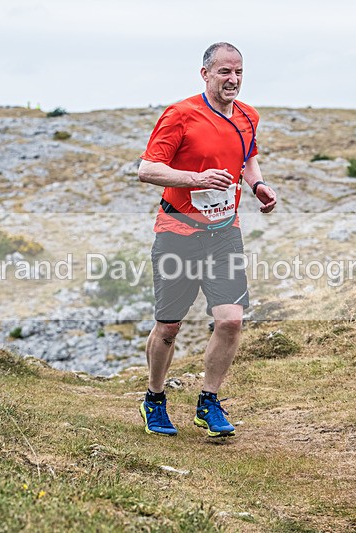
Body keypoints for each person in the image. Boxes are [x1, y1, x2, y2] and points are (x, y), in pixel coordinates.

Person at [137, 42, 277, 437]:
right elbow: (147, 169)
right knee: (169, 327)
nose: (233, 79)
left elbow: (248, 157)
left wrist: (258, 185)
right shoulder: (180, 114)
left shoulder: (248, 116)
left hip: (224, 233)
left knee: (231, 321)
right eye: (224, 72)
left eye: (238, 72)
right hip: (178, 233)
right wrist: (195, 179)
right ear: (205, 74)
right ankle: (154, 399)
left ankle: (208, 402)